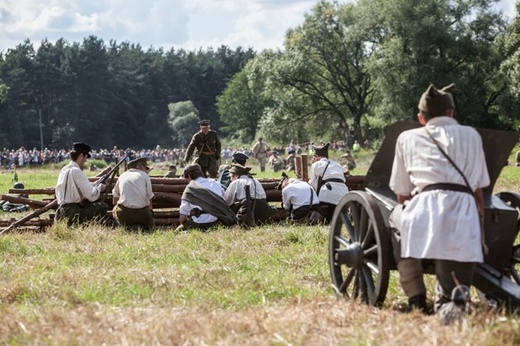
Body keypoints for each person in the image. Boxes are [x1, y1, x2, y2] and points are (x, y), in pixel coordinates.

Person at [389, 83, 489, 324]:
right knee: (452, 301)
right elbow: (478, 190)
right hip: (463, 215)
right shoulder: (472, 135)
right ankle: (450, 303)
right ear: (451, 113)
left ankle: (415, 296)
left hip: (421, 212)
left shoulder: (406, 138)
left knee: (398, 216)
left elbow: (402, 193)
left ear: (421, 118)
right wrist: (480, 230)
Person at [55, 142, 108, 226]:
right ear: (80, 156)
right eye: (86, 157)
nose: (86, 160)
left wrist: (94, 184)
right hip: (73, 211)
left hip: (61, 211)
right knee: (103, 206)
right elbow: (91, 195)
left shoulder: (64, 169)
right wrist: (100, 188)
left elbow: (78, 186)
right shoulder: (77, 171)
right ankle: (86, 227)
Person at [178, 163, 237, 231]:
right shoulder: (216, 183)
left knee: (178, 231)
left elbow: (182, 218)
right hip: (219, 222)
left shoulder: (189, 189)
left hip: (200, 225)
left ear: (189, 176)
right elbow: (225, 201)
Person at [308, 143, 349, 223]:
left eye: (314, 156)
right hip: (343, 193)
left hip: (328, 194)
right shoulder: (336, 164)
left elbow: (313, 185)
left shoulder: (316, 165)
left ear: (317, 157)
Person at [112, 157, 155, 231]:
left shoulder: (122, 176)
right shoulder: (145, 176)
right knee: (148, 222)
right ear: (139, 167)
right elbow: (150, 199)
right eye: (145, 168)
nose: (146, 171)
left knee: (114, 209)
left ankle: (124, 227)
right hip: (143, 214)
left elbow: (115, 200)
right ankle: (142, 227)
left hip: (125, 215)